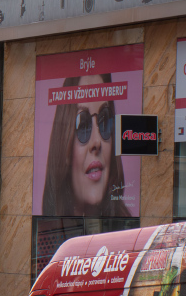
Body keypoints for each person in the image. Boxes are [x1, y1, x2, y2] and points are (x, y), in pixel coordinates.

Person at [41, 75, 133, 218]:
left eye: (104, 121)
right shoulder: (49, 230)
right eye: (82, 125)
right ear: (64, 146)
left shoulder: (127, 230)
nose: (96, 142)